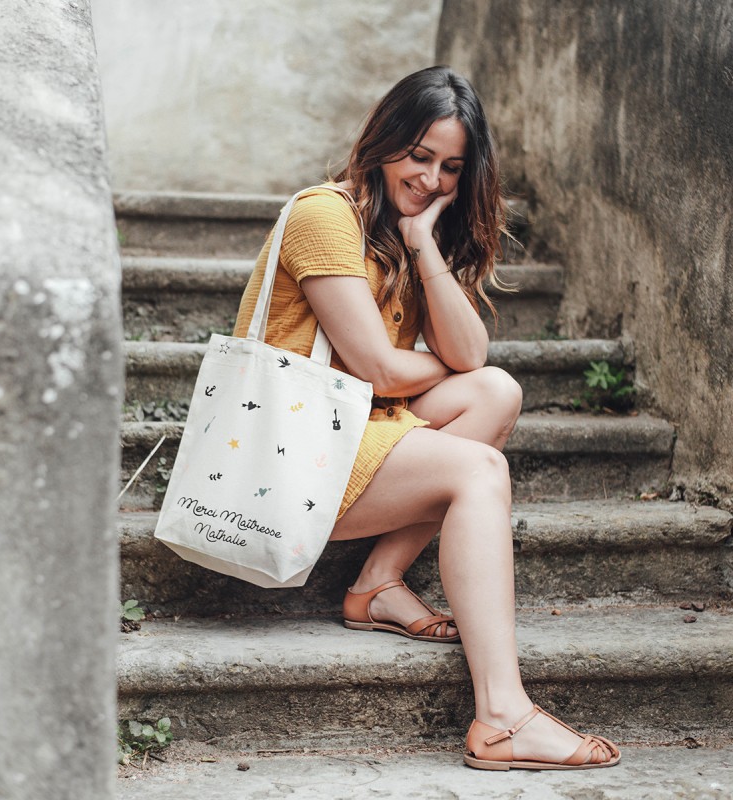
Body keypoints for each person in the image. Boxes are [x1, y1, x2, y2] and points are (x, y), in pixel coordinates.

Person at [233, 66, 620, 770]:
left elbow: (473, 357)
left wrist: (422, 242)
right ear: (383, 140)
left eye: (450, 166)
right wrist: (425, 366)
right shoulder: (325, 215)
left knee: (496, 390)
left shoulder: (402, 231)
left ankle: (376, 584)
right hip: (288, 460)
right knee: (479, 468)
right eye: (418, 156)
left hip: (347, 437)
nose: (431, 179)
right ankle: (502, 716)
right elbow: (380, 369)